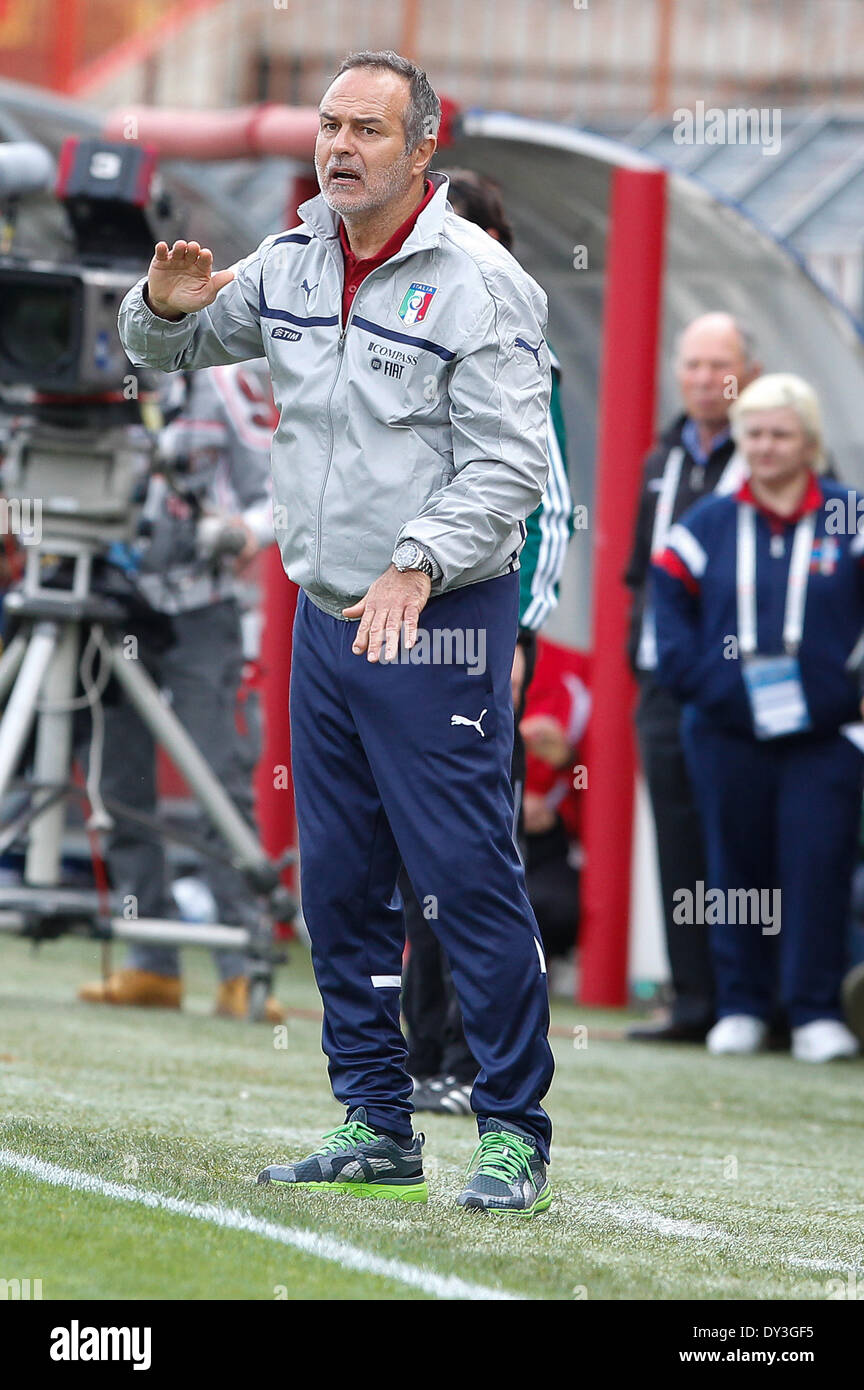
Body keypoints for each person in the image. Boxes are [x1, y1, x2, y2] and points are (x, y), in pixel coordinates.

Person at [118, 50, 555, 1216]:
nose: (340, 146)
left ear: (424, 144)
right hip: (325, 619)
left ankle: (512, 1129)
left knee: (464, 878)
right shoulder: (295, 259)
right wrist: (160, 308)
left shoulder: (483, 281)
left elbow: (512, 465)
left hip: (440, 619)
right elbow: (167, 353)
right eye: (328, 125)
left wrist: (418, 561)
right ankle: (374, 1117)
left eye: (368, 127)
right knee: (343, 886)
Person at [400, 168, 573, 1116]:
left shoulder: (521, 344)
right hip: (395, 617)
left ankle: (482, 1063)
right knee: (407, 852)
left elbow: (550, 503)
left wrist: (518, 631)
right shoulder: (396, 330)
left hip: (479, 626)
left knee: (473, 851)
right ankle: (420, 1058)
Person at [652, 373, 864, 1062]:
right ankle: (740, 1004)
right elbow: (668, 617)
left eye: (781, 434)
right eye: (754, 434)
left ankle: (812, 1010)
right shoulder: (707, 521)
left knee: (817, 865)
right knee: (732, 869)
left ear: (809, 442)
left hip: (825, 734)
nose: (766, 447)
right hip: (723, 728)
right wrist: (712, 688)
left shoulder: (846, 514)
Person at [76, 362, 284, 1023]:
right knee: (117, 783)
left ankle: (242, 968)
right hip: (103, 604)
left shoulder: (223, 381)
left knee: (218, 779)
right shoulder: (72, 373)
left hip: (203, 606)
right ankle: (150, 962)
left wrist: (240, 530)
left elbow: (280, 490)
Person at [625, 312, 761, 1043]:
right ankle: (694, 999)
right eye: (694, 365)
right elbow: (639, 571)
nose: (706, 379)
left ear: (749, 372)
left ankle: (753, 999)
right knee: (677, 839)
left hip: (738, 688)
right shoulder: (662, 458)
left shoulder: (769, 448)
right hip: (662, 683)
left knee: (739, 836)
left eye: (721, 365)